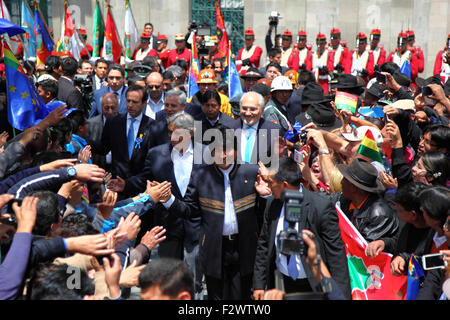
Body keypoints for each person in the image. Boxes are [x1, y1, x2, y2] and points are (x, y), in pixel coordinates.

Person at [163, 126, 263, 300]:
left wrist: (266, 194)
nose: (222, 155)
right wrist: (168, 200)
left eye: (227, 150)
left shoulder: (252, 172)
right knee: (216, 296)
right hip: (215, 248)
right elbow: (189, 210)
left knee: (242, 297)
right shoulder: (201, 175)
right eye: (217, 150)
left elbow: (264, 211)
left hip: (244, 246)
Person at [252, 157, 351, 299]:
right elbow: (264, 245)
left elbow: (336, 256)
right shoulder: (272, 204)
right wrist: (259, 285)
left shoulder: (320, 207)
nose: (268, 186)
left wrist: (341, 296)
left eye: (271, 183)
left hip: (313, 286)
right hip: (281, 284)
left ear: (284, 185)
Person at [88, 85, 154, 197]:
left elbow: (151, 164)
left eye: (135, 102)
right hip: (116, 187)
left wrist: (130, 184)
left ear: (144, 103)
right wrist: (83, 141)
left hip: (140, 188)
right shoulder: (114, 121)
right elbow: (103, 148)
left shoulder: (152, 126)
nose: (130, 105)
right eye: (128, 101)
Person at [337, 159, 400, 257]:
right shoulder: (345, 201)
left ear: (354, 188)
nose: (341, 182)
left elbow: (360, 247)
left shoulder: (379, 214)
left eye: (345, 179)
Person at [87, 92, 119, 170]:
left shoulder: (125, 123)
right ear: (101, 107)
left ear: (117, 107)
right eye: (106, 108)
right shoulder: (90, 125)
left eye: (113, 108)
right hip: (98, 168)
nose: (110, 112)